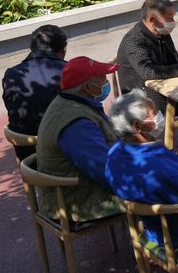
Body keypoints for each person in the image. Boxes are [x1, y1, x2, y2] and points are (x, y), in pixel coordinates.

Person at [103, 90, 178, 249]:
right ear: (137, 126)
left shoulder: (115, 153)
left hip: (155, 226)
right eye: (153, 115)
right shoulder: (157, 169)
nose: (159, 118)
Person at [35, 56, 123, 221]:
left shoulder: (68, 102)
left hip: (82, 186)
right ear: (88, 87)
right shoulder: (76, 124)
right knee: (160, 189)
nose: (106, 83)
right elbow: (105, 170)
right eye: (103, 78)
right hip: (79, 200)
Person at [116, 0, 178, 112]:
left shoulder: (161, 32)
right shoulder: (134, 41)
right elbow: (149, 72)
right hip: (143, 99)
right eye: (169, 18)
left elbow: (174, 56)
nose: (173, 22)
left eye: (173, 16)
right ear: (152, 20)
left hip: (166, 86)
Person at [2, 24, 68, 159]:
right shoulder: (69, 72)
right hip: (64, 157)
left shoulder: (12, 74)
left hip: (28, 158)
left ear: (32, 48)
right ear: (63, 50)